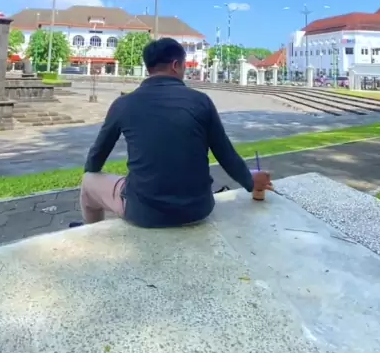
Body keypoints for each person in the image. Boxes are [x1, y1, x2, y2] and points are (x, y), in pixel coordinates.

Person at [80, 37, 272, 227]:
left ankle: (90, 232)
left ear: (149, 68)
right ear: (175, 65)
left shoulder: (123, 104)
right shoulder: (201, 101)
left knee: (89, 180)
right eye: (184, 65)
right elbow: (225, 154)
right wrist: (250, 181)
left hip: (144, 213)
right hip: (198, 209)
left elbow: (95, 160)